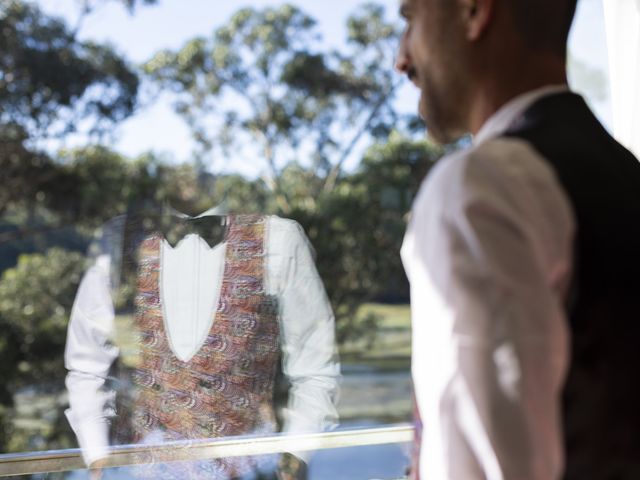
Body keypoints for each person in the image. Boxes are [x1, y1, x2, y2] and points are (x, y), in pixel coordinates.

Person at [395, 0, 640, 478]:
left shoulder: (478, 190)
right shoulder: (627, 179)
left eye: (410, 20)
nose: (401, 58)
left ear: (473, 12)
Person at [64, 206, 340, 479]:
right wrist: (98, 457)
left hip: (251, 470)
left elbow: (315, 367)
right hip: (139, 472)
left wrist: (294, 458)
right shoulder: (119, 237)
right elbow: (87, 364)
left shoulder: (279, 239)